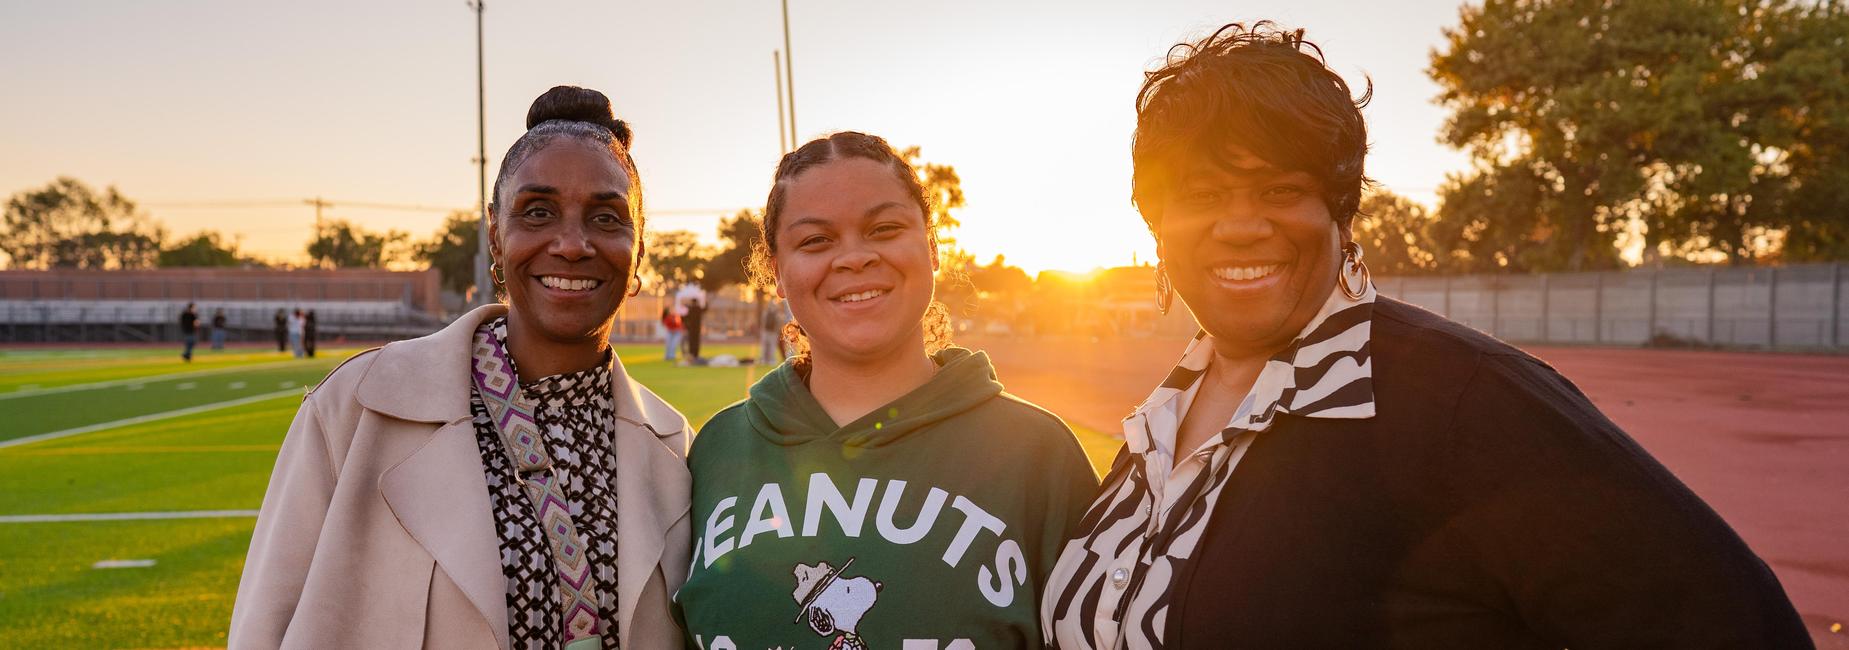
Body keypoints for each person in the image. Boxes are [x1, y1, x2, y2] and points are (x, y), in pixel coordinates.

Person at [1041, 22, 1808, 648]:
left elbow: (1730, 623)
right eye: (1202, 194)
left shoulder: (1464, 403)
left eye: (1282, 189)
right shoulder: (1161, 419)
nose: (1240, 224)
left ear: (1341, 212)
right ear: (1157, 226)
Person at [231, 85, 693, 649]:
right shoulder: (359, 406)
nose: (572, 244)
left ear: (638, 248)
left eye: (606, 217)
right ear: (496, 236)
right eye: (538, 212)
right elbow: (263, 628)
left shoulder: (676, 447)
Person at [676, 132, 1098, 648]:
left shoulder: (1038, 456)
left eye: (884, 228)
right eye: (815, 240)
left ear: (933, 248)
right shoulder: (715, 450)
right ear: (778, 274)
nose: (854, 258)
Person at [758, 296, 791, 365]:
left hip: (773, 332)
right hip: (767, 331)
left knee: (772, 347)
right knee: (765, 347)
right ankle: (764, 359)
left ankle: (771, 360)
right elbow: (763, 322)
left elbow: (779, 322)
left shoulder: (778, 313)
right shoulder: (767, 312)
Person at [682, 294, 706, 362]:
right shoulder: (699, 308)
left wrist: (686, 325)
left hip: (691, 328)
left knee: (691, 341)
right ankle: (696, 354)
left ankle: (691, 354)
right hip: (697, 328)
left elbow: (684, 317)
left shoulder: (689, 308)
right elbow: (705, 308)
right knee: (696, 341)